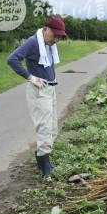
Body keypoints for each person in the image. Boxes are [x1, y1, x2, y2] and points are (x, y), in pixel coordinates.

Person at [7, 16, 67, 177]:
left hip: (50, 89)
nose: (56, 40)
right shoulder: (33, 42)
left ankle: (42, 157)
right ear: (45, 29)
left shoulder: (47, 44)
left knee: (53, 127)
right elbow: (12, 59)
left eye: (59, 37)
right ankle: (44, 166)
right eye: (54, 35)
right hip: (39, 90)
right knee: (45, 128)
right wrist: (30, 77)